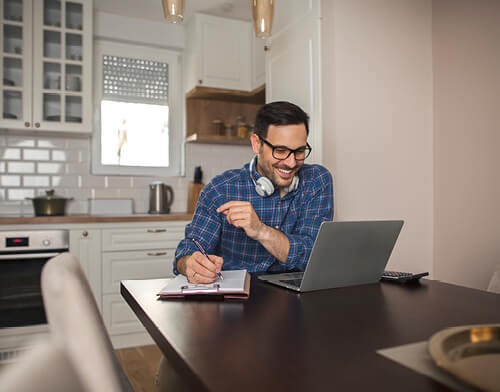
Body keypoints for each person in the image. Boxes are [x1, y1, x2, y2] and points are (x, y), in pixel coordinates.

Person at [174, 101, 334, 283]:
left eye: (299, 151)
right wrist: (189, 263)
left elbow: (312, 257)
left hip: (295, 298)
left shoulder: (317, 181)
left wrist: (261, 231)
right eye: (280, 151)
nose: (291, 163)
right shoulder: (221, 189)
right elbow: (189, 248)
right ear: (257, 144)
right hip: (237, 299)